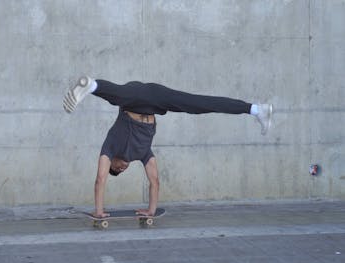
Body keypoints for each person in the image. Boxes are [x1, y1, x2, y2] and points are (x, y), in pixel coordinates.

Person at [63, 76, 273, 218]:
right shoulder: (143, 153)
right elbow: (155, 182)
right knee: (199, 104)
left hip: (135, 98)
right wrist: (151, 211)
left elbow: (100, 179)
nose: (121, 168)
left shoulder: (109, 147)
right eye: (121, 171)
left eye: (116, 168)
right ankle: (257, 110)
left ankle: (92, 85)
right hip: (156, 101)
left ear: (113, 162)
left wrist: (99, 211)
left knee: (119, 95)